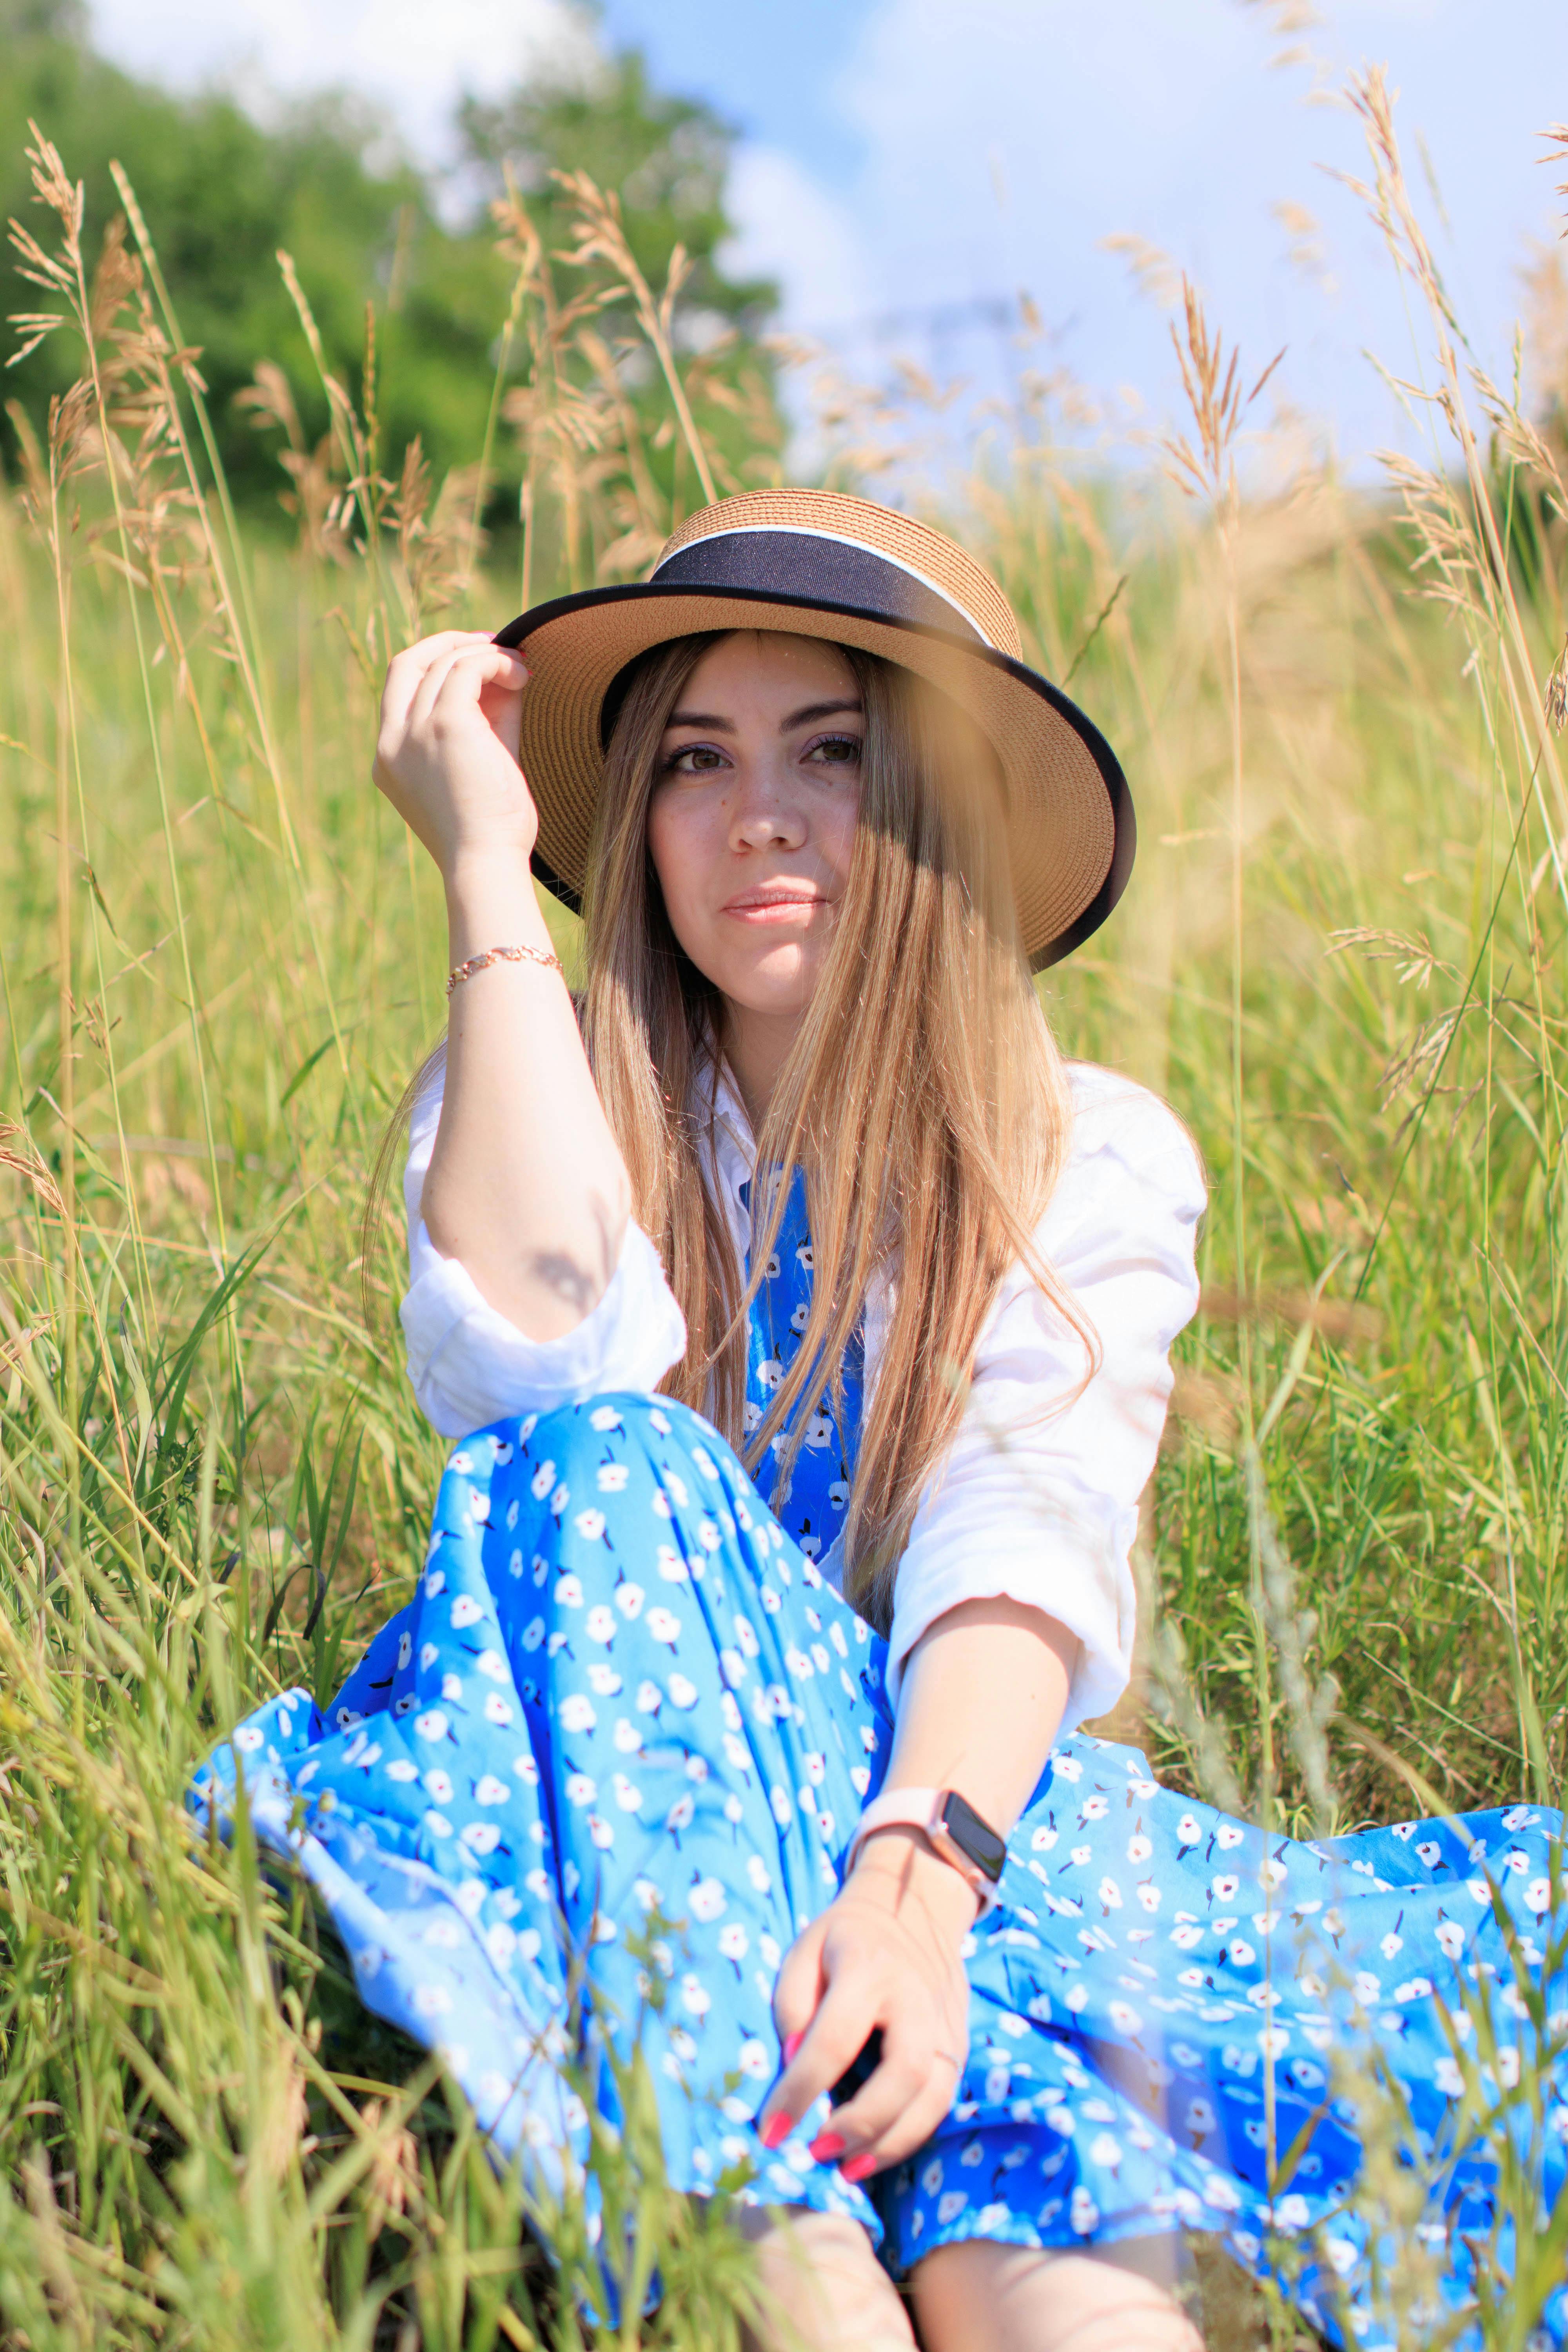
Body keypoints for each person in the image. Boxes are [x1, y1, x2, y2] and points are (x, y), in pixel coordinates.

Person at [199, 492, 1566, 2352]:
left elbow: (1029, 1521)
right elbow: (528, 1379)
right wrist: (482, 879)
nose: (759, 812)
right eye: (692, 760)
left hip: (955, 1820)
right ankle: (782, 2260)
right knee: (613, 1457)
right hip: (632, 1831)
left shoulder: (1078, 1145)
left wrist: (914, 1904)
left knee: (1058, 2275)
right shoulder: (533, 1084)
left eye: (832, 752)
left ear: (933, 808)